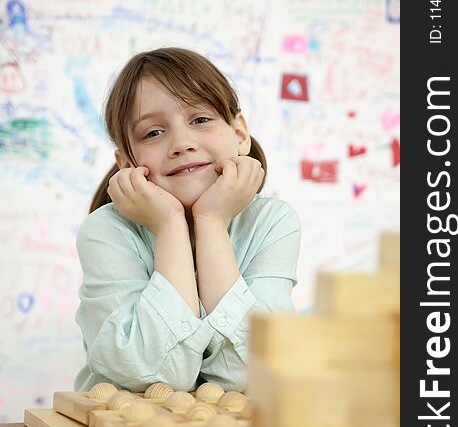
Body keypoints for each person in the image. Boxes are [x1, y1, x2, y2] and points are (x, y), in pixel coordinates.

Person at [74, 47, 301, 393]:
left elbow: (257, 372)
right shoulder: (106, 232)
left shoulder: (272, 222)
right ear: (126, 162)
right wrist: (169, 226)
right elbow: (157, 374)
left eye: (200, 120)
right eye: (153, 133)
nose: (181, 144)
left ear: (239, 134)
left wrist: (210, 221)